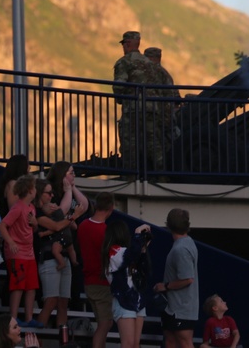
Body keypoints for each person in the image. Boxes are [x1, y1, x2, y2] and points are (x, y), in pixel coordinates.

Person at [112, 32, 170, 170]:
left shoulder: (125, 61)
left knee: (129, 143)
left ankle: (131, 176)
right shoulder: (151, 64)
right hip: (152, 110)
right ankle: (161, 175)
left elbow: (119, 87)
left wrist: (120, 99)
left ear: (127, 44)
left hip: (133, 110)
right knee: (153, 143)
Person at [0, 176, 39, 329]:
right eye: (34, 188)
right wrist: (11, 242)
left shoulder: (31, 208)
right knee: (18, 285)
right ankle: (13, 317)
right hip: (17, 253)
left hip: (29, 252)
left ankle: (29, 317)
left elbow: (32, 229)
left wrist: (35, 224)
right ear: (29, 190)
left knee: (31, 286)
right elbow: (2, 226)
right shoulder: (18, 207)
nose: (36, 190)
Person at [152, 208, 198, 348]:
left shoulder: (181, 249)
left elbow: (188, 279)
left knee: (184, 342)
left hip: (181, 308)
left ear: (168, 225)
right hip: (173, 307)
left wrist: (165, 286)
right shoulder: (185, 243)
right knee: (170, 341)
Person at [103, 222, 152, 348]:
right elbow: (128, 257)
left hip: (138, 300)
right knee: (128, 344)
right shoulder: (113, 252)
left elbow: (145, 270)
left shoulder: (129, 251)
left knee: (135, 344)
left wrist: (143, 249)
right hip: (124, 301)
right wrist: (137, 235)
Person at [31, 180, 71, 329]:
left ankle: (63, 341)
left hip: (63, 255)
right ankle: (36, 338)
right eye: (48, 193)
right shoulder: (37, 212)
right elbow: (56, 226)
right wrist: (73, 216)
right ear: (40, 194)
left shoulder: (53, 210)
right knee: (51, 300)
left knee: (63, 301)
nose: (52, 196)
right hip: (48, 258)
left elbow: (69, 225)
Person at [76, 192, 114, 348]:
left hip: (89, 280)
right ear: (110, 208)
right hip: (101, 282)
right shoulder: (105, 232)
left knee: (102, 322)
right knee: (105, 324)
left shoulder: (83, 225)